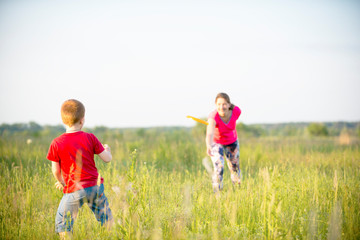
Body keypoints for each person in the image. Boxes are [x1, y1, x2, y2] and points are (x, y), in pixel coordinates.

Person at [47, 99, 113, 239]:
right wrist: (108, 150)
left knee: (63, 223)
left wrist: (62, 182)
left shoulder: (56, 143)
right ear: (82, 121)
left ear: (63, 120)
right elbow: (107, 158)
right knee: (106, 219)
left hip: (74, 190)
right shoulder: (90, 137)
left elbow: (55, 171)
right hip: (95, 187)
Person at [206, 93, 242, 191]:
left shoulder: (236, 111)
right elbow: (210, 133)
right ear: (216, 105)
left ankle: (238, 192)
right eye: (219, 104)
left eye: (224, 104)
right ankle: (217, 193)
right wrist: (208, 145)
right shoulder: (213, 116)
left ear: (229, 105)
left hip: (232, 142)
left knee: (234, 168)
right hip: (217, 143)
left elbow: (235, 117)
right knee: (219, 168)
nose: (221, 107)